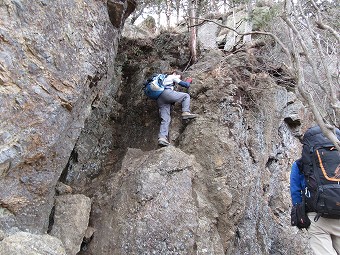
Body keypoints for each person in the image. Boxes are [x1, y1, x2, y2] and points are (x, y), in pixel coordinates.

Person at [290, 159, 340, 255]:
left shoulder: (300, 164)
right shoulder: (336, 158)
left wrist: (301, 216)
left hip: (316, 218)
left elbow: (296, 193)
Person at [157, 70, 197, 146]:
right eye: (180, 77)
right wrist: (189, 80)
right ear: (175, 73)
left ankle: (162, 138)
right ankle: (186, 112)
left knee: (166, 119)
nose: (180, 78)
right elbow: (186, 85)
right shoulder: (172, 76)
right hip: (167, 93)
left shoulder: (163, 79)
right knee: (186, 96)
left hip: (160, 98)